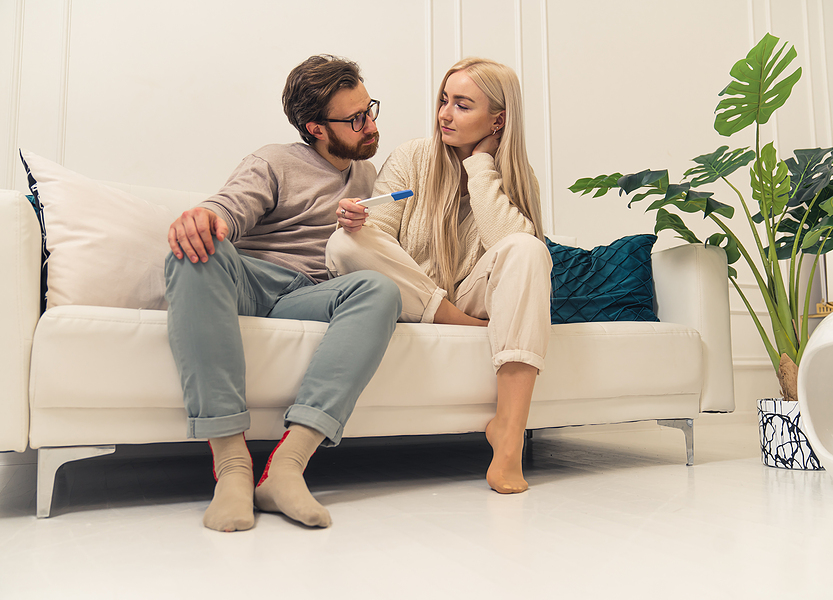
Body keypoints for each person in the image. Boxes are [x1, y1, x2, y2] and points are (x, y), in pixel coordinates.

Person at [164, 55, 401, 532]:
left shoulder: (370, 179)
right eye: (355, 119)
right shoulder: (274, 160)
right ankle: (231, 469)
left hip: (313, 293)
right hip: (253, 280)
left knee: (379, 289)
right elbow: (231, 206)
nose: (370, 125)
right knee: (198, 249)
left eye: (370, 109)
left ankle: (286, 468)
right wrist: (209, 219)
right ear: (315, 127)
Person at [326, 57, 551, 494]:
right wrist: (358, 222)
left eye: (463, 105)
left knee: (526, 249)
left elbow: (512, 246)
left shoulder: (518, 178)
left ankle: (507, 435)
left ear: (498, 120)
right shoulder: (412, 156)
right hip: (415, 294)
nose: (444, 113)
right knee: (343, 242)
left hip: (474, 293)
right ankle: (457, 322)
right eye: (444, 100)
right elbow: (378, 235)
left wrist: (481, 169)